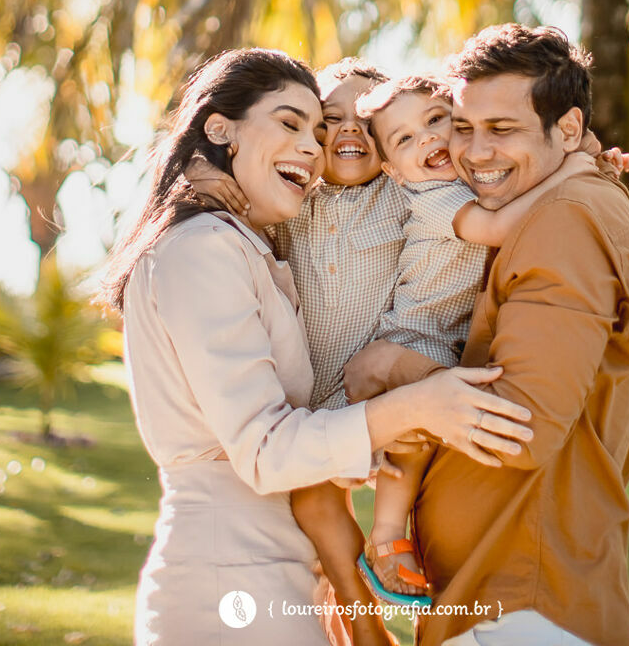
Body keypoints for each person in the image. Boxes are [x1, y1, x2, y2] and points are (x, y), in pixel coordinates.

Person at [99, 48, 537, 646]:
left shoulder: (247, 240)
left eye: (315, 130)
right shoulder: (202, 249)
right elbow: (267, 450)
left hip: (276, 581)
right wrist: (416, 406)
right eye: (292, 123)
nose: (313, 145)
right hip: (232, 587)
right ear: (221, 127)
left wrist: (574, 156)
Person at [342, 26, 629, 646]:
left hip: (524, 606)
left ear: (566, 130)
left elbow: (523, 426)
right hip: (502, 597)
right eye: (464, 127)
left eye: (503, 130)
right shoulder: (558, 200)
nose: (475, 153)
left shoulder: (563, 219)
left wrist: (395, 370)